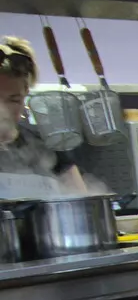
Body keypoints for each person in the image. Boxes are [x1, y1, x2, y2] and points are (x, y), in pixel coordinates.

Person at [0, 37, 90, 196]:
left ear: (26, 93)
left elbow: (82, 203)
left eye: (13, 100)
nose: (3, 109)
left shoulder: (48, 145)